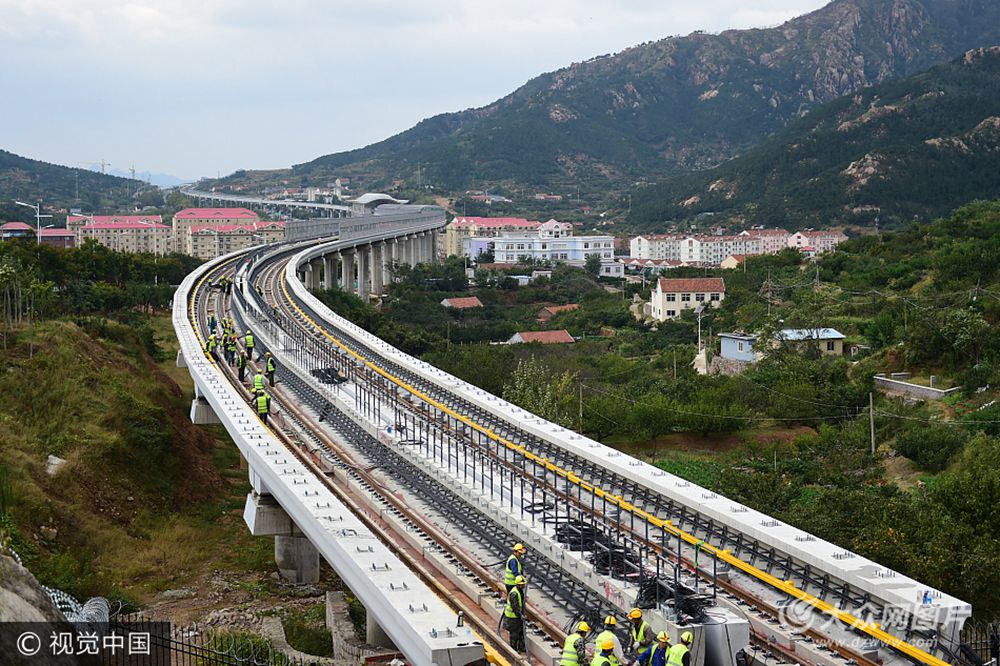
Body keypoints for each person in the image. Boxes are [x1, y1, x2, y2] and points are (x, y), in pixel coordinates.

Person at [503, 575, 527, 653]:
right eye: (522, 584)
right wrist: (521, 615)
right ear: (518, 584)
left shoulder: (520, 591)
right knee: (514, 634)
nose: (524, 586)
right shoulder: (514, 593)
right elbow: (515, 607)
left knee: (520, 632)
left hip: (517, 617)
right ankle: (513, 649)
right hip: (512, 617)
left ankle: (521, 647)